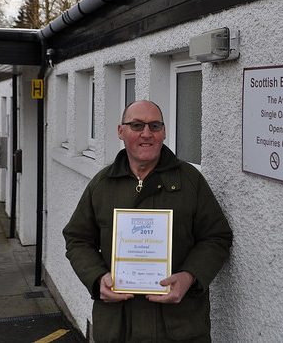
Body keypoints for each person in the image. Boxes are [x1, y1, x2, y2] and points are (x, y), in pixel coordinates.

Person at [63, 100, 233, 342]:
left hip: (179, 326)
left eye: (155, 126)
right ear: (120, 131)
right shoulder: (102, 185)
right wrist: (97, 278)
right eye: (136, 125)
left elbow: (217, 237)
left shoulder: (190, 181)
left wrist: (189, 276)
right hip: (118, 327)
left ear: (164, 132)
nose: (146, 134)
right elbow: (77, 239)